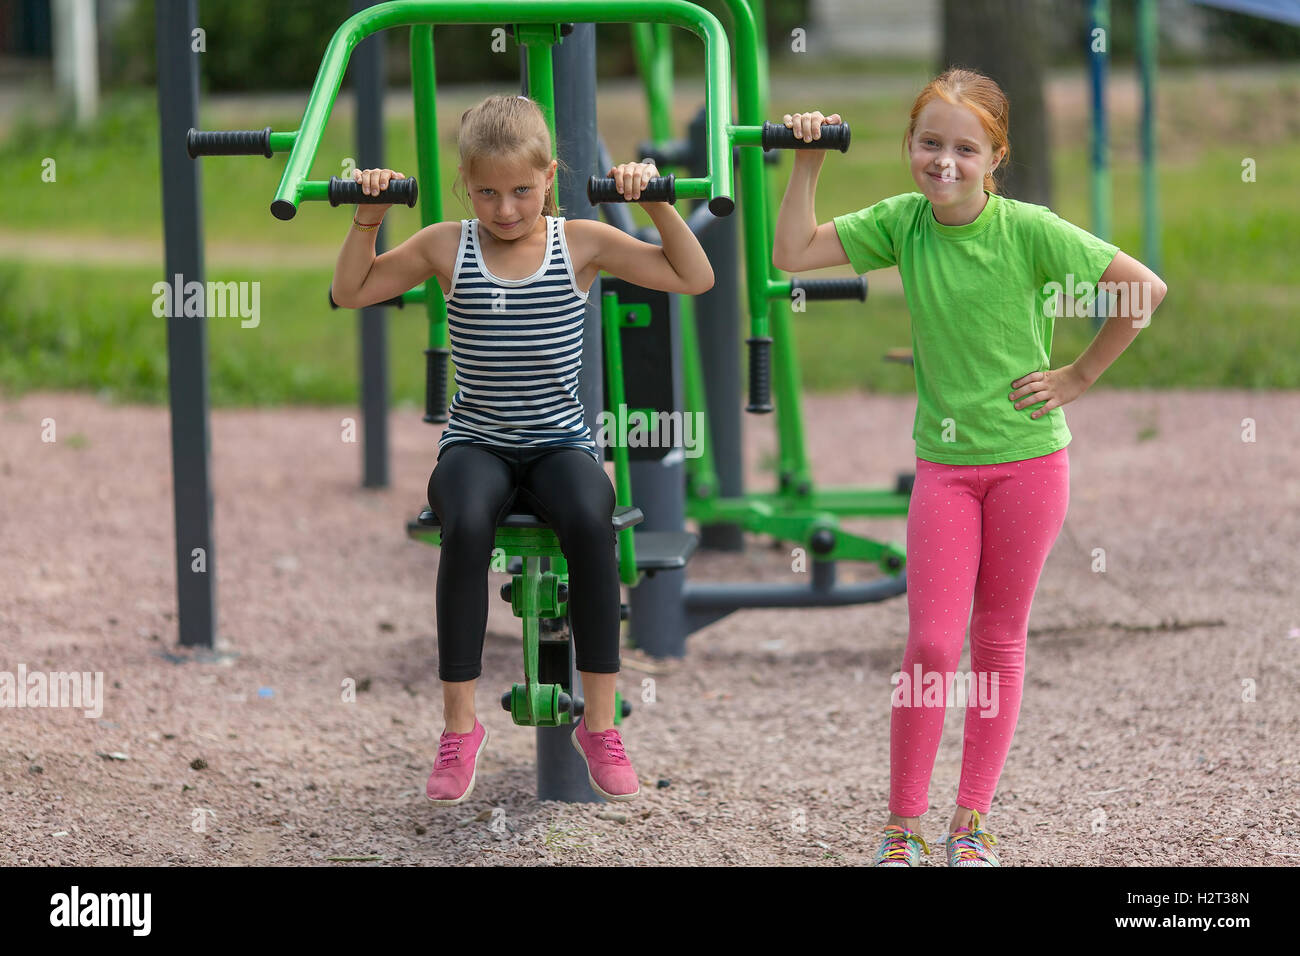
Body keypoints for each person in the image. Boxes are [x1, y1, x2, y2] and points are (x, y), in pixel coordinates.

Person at [772, 69, 1166, 866]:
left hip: (1030, 464)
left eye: (963, 148)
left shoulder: (1028, 229)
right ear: (910, 148)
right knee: (929, 647)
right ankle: (901, 825)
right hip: (945, 470)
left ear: (995, 157)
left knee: (998, 640)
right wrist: (808, 158)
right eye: (929, 143)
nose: (943, 161)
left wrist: (1077, 377)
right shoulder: (905, 225)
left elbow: (1141, 289)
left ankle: (971, 820)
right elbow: (792, 253)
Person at [330, 93, 714, 805]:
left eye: (520, 191)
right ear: (464, 185)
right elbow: (350, 290)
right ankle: (459, 729)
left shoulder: (583, 241)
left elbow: (693, 277)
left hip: (558, 443)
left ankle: (600, 726)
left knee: (591, 521)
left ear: (550, 177)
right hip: (476, 444)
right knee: (466, 525)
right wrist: (368, 219)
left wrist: (658, 200)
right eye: (486, 192)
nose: (504, 209)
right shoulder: (450, 243)